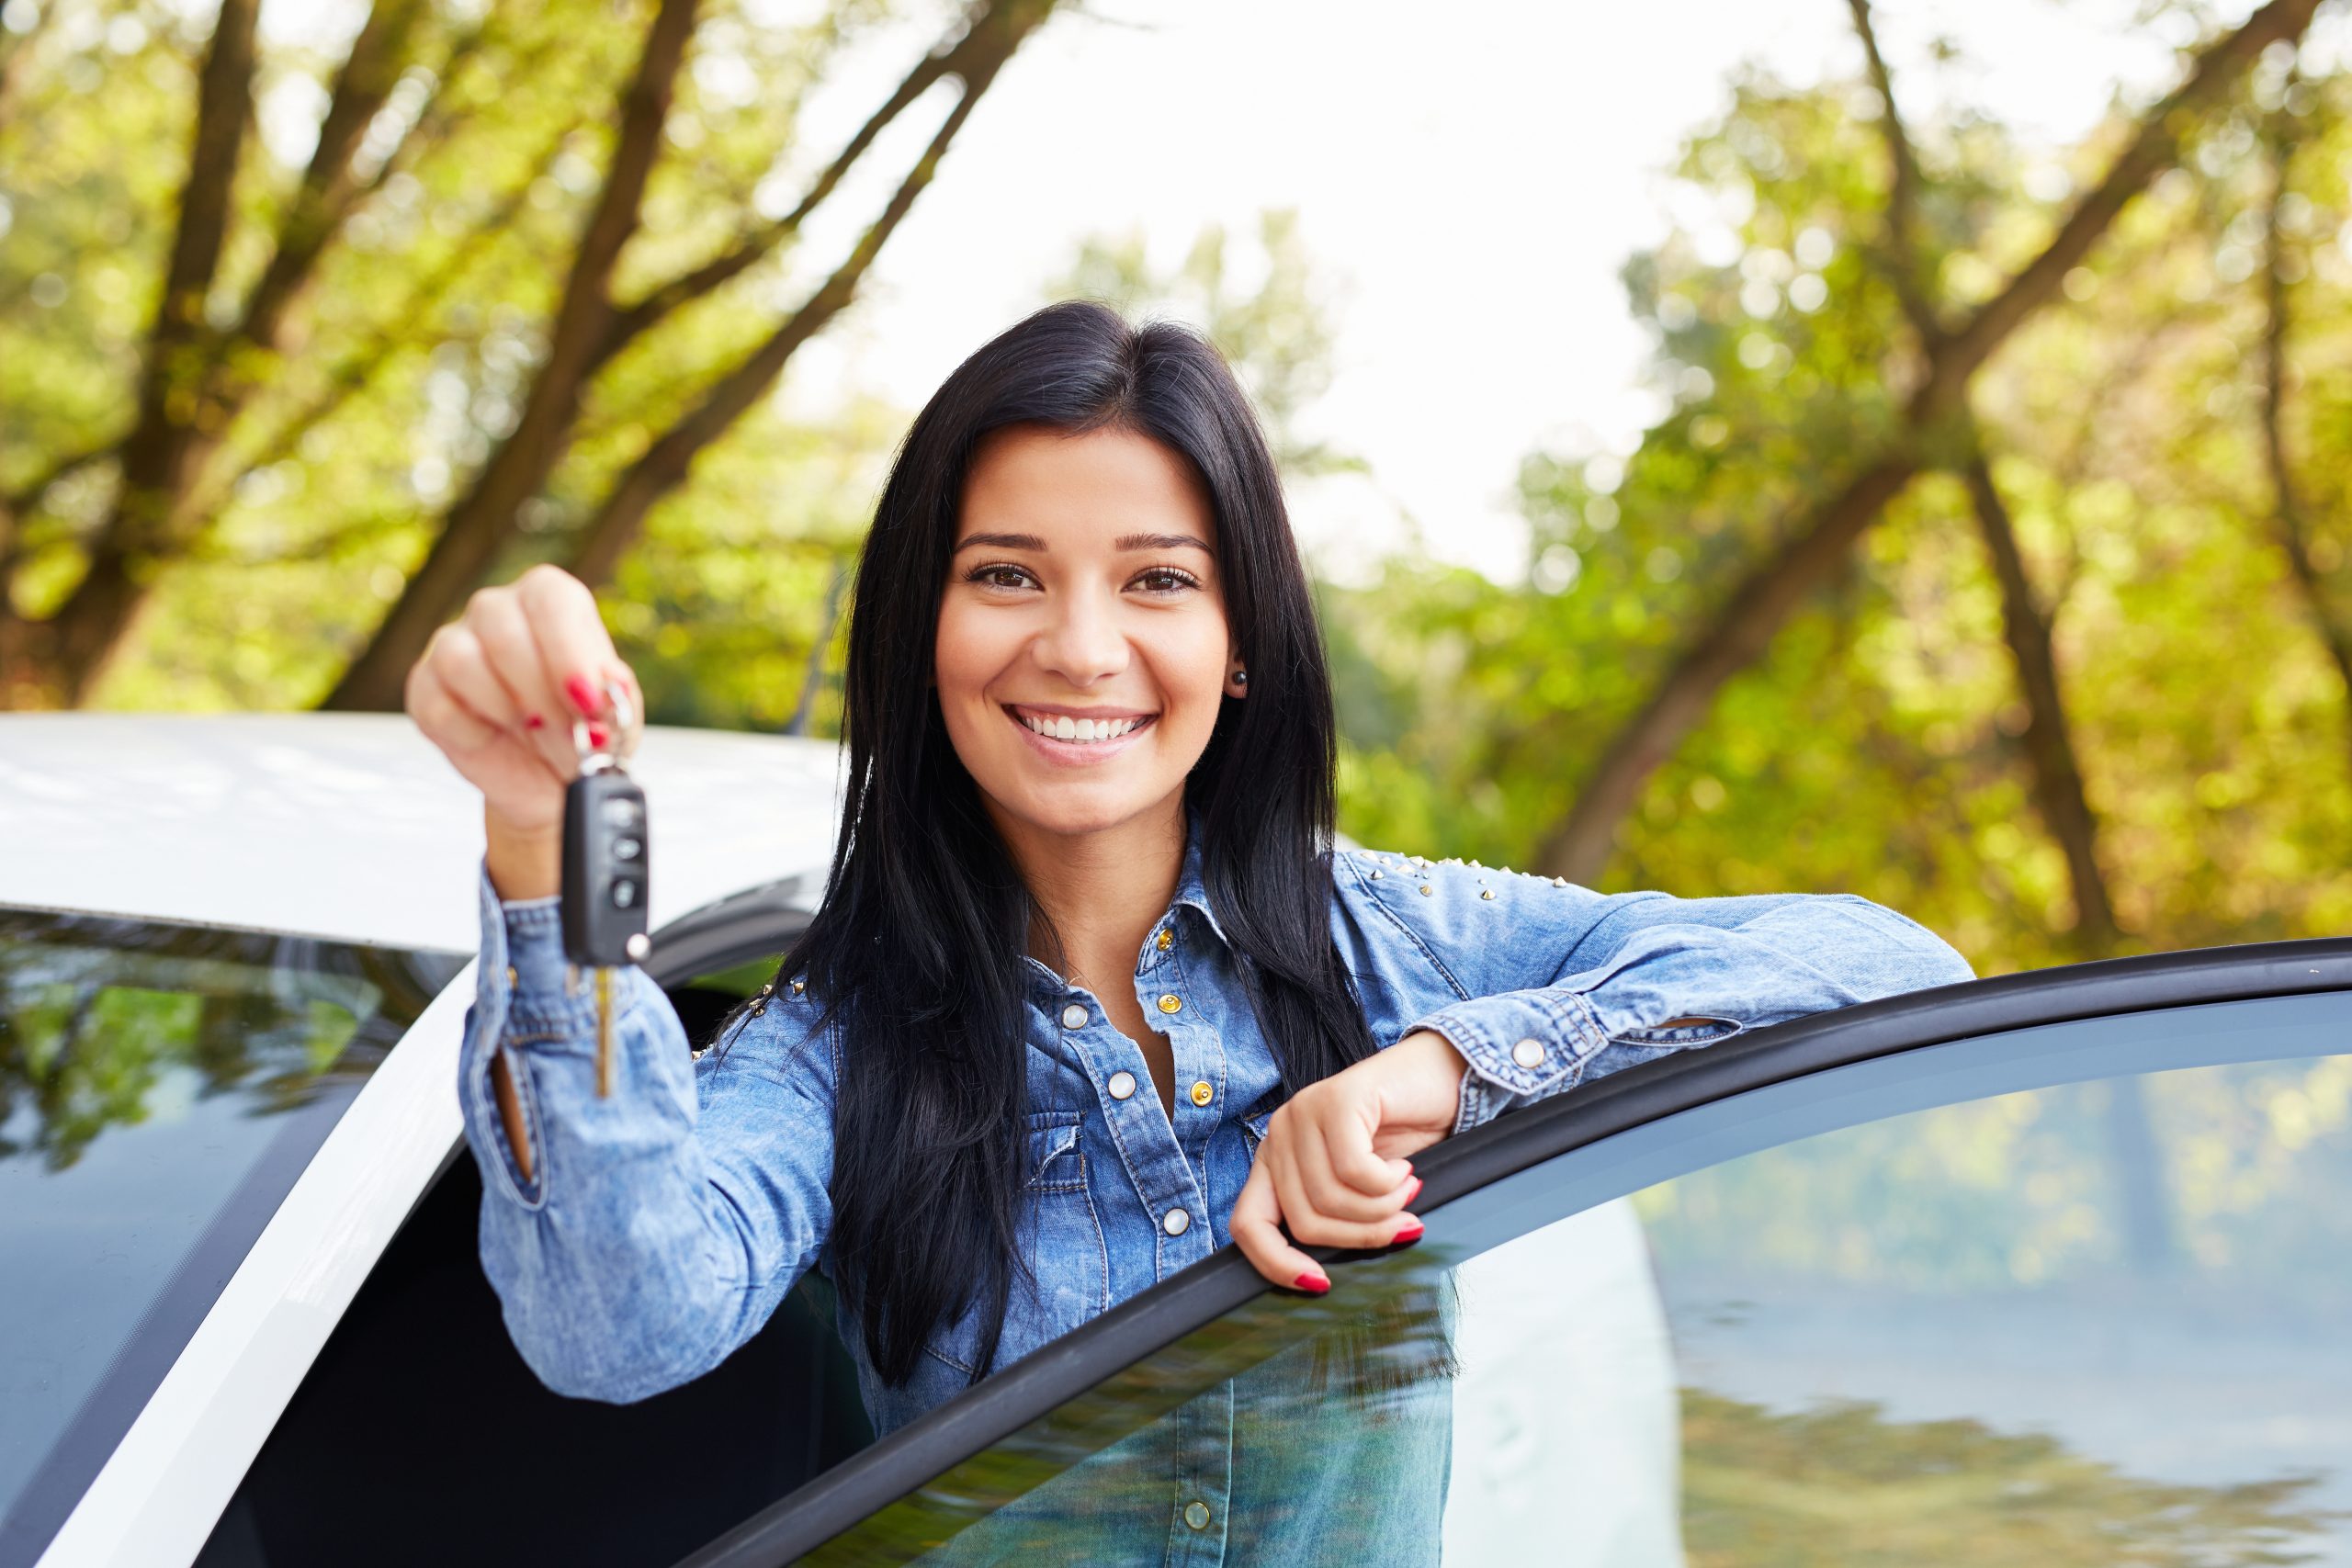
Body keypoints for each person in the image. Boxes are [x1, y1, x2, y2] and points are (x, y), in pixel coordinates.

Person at [404, 299, 1974, 1537]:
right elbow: (615, 1323)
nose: (1082, 647)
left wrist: (1429, 1072)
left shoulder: (1395, 945)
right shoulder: (838, 1040)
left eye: (1157, 581)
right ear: (924, 632)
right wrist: (545, 845)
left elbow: (1888, 972)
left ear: (1239, 644)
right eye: (1007, 574)